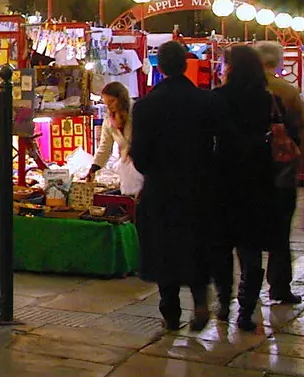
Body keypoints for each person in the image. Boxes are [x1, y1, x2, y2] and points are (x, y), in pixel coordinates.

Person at [129, 40, 225, 331]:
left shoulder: (145, 106)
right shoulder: (206, 101)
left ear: (160, 67)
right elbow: (219, 143)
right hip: (198, 185)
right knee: (197, 244)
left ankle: (170, 310)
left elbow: (139, 153)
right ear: (185, 65)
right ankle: (199, 301)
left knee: (164, 247)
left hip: (161, 186)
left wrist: (154, 172)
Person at [212, 45, 278, 330]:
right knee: (250, 248)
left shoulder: (217, 98)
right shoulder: (265, 99)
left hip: (224, 177)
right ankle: (246, 308)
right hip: (256, 177)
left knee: (222, 247)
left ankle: (224, 302)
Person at [255, 41, 304, 298]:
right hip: (282, 173)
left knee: (250, 233)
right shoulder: (288, 91)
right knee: (280, 232)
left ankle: (249, 287)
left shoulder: (241, 90)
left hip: (250, 174)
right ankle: (279, 285)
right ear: (278, 61)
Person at [85, 82, 137, 193]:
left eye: (112, 101)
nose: (109, 105)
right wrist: (94, 168)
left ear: (121, 98)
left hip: (143, 165)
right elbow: (105, 146)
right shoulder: (109, 120)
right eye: (106, 102)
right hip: (127, 167)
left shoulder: (137, 112)